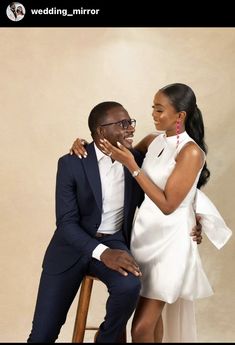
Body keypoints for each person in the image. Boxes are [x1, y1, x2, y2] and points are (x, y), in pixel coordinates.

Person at [28, 100, 202, 343]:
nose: (131, 128)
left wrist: (195, 214)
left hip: (113, 241)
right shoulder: (71, 163)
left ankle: (106, 338)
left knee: (130, 286)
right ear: (101, 131)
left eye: (130, 122)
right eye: (123, 124)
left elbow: (173, 185)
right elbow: (66, 224)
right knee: (43, 334)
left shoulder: (137, 160)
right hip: (69, 250)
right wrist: (103, 253)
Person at [97, 83, 232, 342]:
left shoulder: (191, 152)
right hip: (144, 236)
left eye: (160, 110)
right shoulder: (153, 141)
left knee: (140, 328)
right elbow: (115, 159)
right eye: (153, 109)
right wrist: (82, 144)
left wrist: (133, 166)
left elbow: (169, 205)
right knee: (153, 321)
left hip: (170, 243)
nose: (154, 115)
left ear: (180, 116)